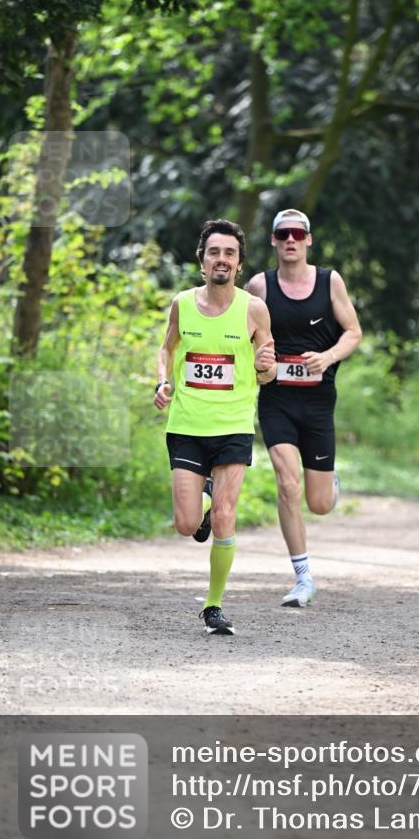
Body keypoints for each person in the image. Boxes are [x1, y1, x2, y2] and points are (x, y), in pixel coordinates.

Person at [154, 219, 276, 635]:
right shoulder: (182, 305)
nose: (221, 260)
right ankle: (202, 497)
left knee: (225, 515)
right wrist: (162, 381)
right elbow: (167, 349)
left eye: (229, 253)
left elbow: (267, 368)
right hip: (187, 424)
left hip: (233, 426)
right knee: (187, 525)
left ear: (239, 264)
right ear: (202, 261)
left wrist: (266, 367)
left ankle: (213, 606)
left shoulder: (254, 309)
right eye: (214, 253)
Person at [246, 209, 362, 607]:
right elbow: (239, 336)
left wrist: (327, 357)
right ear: (274, 241)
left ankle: (331, 483)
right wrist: (256, 361)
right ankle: (303, 577)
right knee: (286, 481)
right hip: (277, 398)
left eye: (298, 233)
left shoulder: (330, 281)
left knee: (319, 503)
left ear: (309, 240)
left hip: (317, 402)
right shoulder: (259, 286)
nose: (291, 240)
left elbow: (353, 331)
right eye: (283, 234)